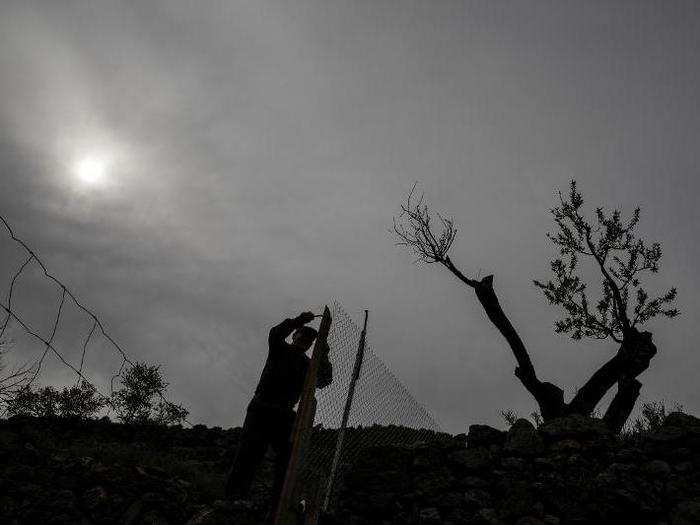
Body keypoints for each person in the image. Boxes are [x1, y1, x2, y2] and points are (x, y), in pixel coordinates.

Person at [225, 310, 333, 516]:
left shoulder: (306, 365)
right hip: (262, 408)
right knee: (249, 454)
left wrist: (324, 353)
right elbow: (275, 333)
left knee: (287, 460)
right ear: (294, 336)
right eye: (302, 335)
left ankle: (277, 505)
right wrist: (299, 320)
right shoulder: (279, 349)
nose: (304, 340)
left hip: (284, 415)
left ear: (311, 345)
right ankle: (233, 500)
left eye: (309, 340)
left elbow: (325, 380)